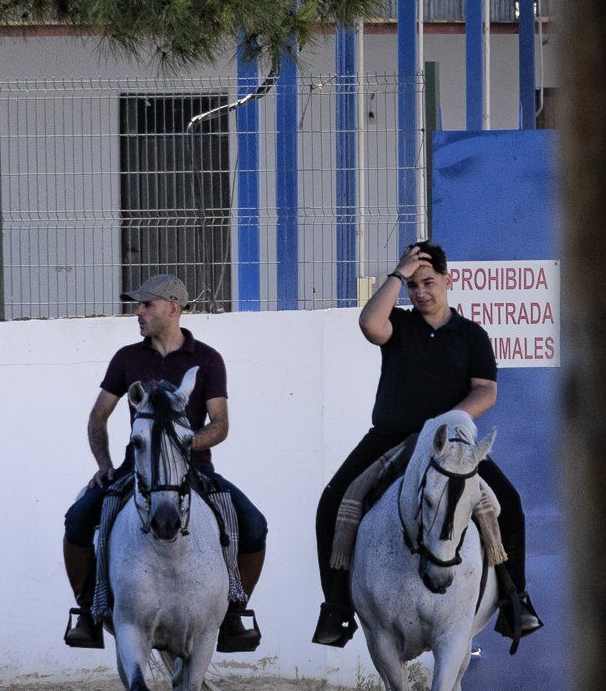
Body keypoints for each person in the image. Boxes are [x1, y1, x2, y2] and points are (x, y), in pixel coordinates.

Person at [312, 241, 544, 648]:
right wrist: (397, 275)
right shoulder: (399, 326)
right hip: (391, 439)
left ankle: (514, 601)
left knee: (508, 502)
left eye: (429, 283)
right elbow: (369, 324)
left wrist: (448, 421)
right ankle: (336, 609)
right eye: (414, 285)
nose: (421, 293)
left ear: (448, 281)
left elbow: (486, 390)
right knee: (333, 501)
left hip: (450, 443)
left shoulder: (472, 335)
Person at [63, 273, 268, 650]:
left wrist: (182, 446)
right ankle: (89, 612)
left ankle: (235, 612)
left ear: (173, 308)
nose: (137, 312)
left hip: (196, 471)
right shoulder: (127, 358)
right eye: (138, 305)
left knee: (254, 525)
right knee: (77, 520)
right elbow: (98, 416)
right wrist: (103, 463)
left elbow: (219, 424)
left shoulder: (207, 359)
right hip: (134, 471)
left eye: (146, 305)